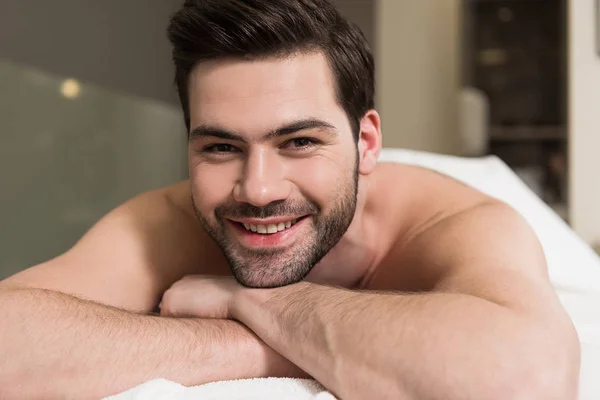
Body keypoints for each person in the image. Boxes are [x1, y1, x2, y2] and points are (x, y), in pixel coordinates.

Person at [0, 0, 580, 398]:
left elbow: (527, 379)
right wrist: (267, 345)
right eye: (221, 146)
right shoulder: (167, 221)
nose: (258, 189)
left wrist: (247, 300)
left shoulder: (458, 222)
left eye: (299, 141)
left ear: (366, 142)